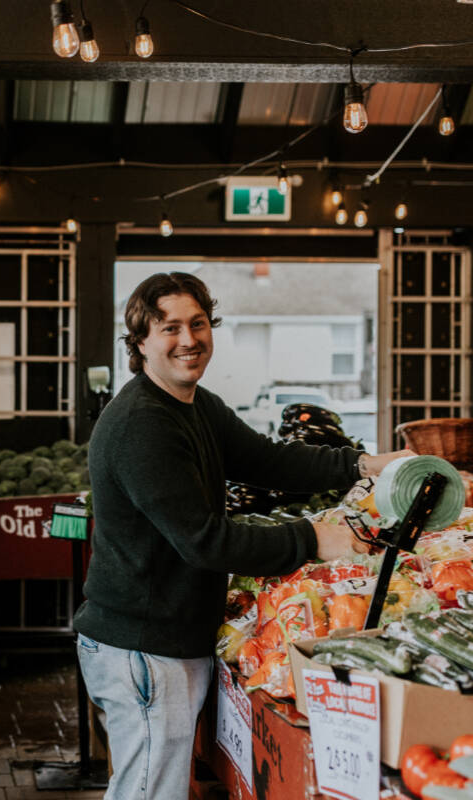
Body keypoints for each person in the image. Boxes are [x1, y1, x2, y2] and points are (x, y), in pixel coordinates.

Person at [71, 271, 411, 800]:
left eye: (198, 323)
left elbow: (268, 460)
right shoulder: (142, 425)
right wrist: (313, 539)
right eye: (170, 328)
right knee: (148, 793)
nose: (189, 339)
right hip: (143, 648)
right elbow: (205, 542)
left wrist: (365, 465)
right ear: (139, 342)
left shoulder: (194, 405)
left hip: (164, 640)